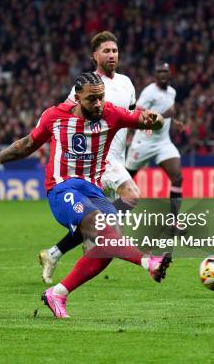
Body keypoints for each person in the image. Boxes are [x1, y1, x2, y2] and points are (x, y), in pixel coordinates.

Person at [0, 72, 171, 318]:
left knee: (108, 245)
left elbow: (151, 121)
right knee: (103, 231)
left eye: (101, 98)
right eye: (91, 99)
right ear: (77, 98)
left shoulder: (112, 114)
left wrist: (155, 118)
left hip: (93, 191)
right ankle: (148, 262)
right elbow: (27, 144)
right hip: (62, 188)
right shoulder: (54, 116)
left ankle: (58, 293)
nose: (98, 104)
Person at [38, 31, 141, 284]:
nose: (112, 55)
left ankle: (56, 252)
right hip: (92, 158)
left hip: (116, 157)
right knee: (131, 196)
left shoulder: (127, 83)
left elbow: (130, 113)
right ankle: (90, 238)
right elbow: (66, 118)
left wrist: (144, 122)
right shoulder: (86, 85)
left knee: (108, 216)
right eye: (106, 51)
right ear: (94, 56)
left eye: (115, 51)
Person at [126, 62, 184, 235]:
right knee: (125, 180)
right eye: (159, 72)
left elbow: (168, 112)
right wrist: (167, 115)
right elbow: (139, 113)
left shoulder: (172, 92)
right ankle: (105, 216)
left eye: (165, 71)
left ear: (169, 74)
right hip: (143, 141)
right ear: (155, 75)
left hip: (163, 142)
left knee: (177, 178)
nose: (162, 74)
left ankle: (173, 222)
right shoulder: (149, 92)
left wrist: (173, 122)